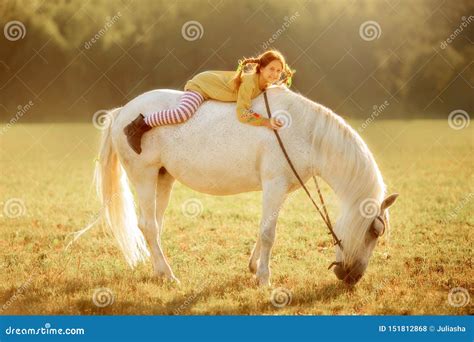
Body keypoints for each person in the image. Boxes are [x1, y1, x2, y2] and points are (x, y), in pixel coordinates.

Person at [124, 49, 294, 154]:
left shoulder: (265, 84)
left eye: (279, 71)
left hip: (211, 87)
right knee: (182, 114)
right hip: (203, 85)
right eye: (271, 69)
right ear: (261, 68)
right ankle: (138, 125)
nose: (275, 74)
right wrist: (265, 121)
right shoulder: (250, 82)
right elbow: (242, 113)